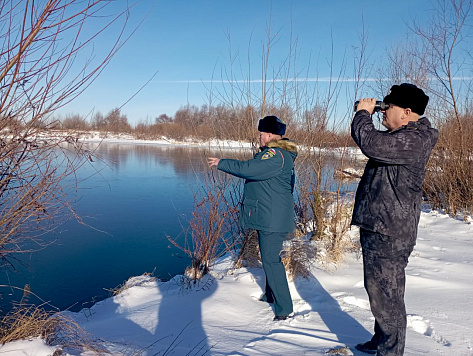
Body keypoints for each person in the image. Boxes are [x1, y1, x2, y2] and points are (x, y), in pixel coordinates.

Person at [351, 83, 438, 355]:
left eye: (388, 108)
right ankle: (381, 342)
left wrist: (363, 113)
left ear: (407, 112)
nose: (383, 112)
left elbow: (370, 142)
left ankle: (390, 351)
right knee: (380, 295)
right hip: (381, 227)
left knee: (387, 300)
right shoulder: (403, 137)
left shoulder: (413, 140)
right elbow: (378, 144)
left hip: (389, 233)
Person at [208, 115, 297, 321]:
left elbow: (249, 169)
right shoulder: (277, 155)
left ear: (269, 135)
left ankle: (284, 309)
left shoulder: (275, 155)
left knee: (271, 259)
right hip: (269, 215)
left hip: (272, 218)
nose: (259, 137)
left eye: (261, 134)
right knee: (269, 257)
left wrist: (222, 163)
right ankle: (271, 295)